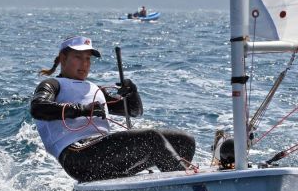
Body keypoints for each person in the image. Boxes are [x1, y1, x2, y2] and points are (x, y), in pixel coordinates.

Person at [30, 35, 196, 182]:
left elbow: (133, 111)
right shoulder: (53, 84)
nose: (84, 63)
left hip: (105, 154)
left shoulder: (94, 89)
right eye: (78, 57)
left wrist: (132, 93)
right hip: (77, 157)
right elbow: (38, 108)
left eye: (88, 58)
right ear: (63, 58)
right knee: (152, 137)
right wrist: (82, 110)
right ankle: (187, 185)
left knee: (184, 140)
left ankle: (174, 185)